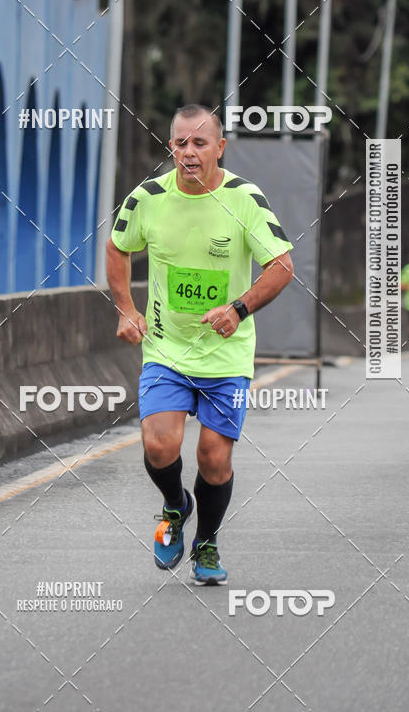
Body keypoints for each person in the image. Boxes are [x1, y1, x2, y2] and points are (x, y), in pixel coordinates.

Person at [106, 104, 293, 584]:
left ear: (220, 148)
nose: (189, 152)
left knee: (214, 456)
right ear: (171, 147)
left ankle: (206, 544)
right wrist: (127, 308)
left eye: (200, 143)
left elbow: (281, 266)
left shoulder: (245, 198)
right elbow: (117, 246)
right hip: (168, 350)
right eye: (180, 143)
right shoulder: (147, 197)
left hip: (226, 355)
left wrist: (237, 309)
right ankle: (174, 506)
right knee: (159, 443)